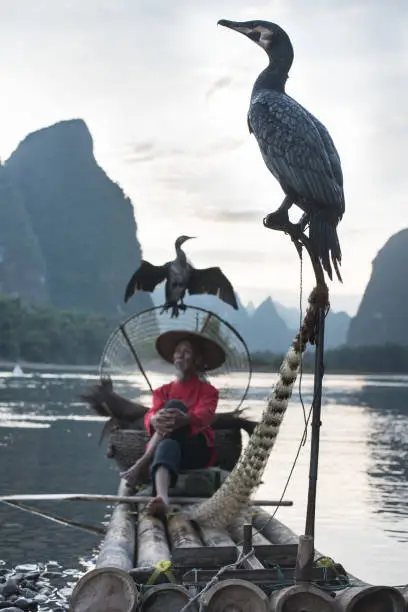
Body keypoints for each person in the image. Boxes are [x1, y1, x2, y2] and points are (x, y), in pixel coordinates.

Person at [120, 329, 226, 517]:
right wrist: (153, 418)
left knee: (175, 407)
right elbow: (152, 414)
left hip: (195, 449)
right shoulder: (162, 391)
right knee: (168, 441)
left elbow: (205, 415)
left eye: (187, 352)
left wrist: (185, 418)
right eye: (177, 351)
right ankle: (162, 497)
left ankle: (142, 462)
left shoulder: (209, 391)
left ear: (198, 360)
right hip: (167, 446)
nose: (180, 355)